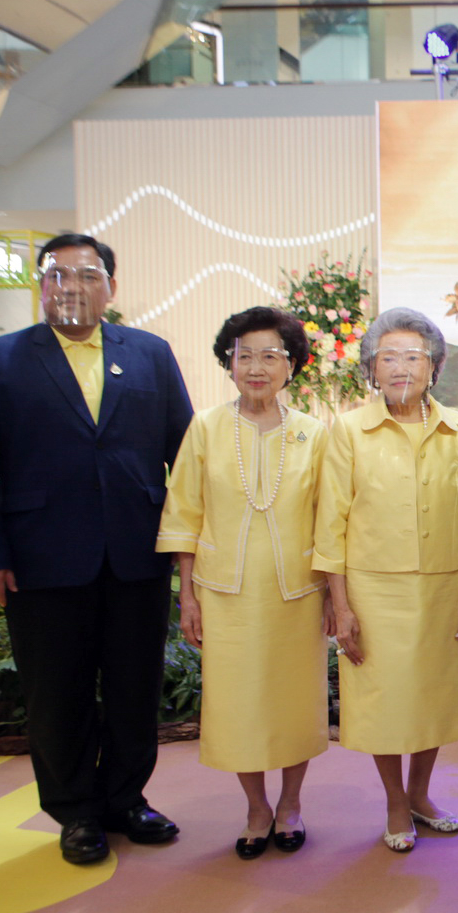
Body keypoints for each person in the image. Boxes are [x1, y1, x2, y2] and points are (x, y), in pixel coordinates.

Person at [0, 234, 193, 865]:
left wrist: (193, 545)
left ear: (110, 286)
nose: (72, 287)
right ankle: (75, 811)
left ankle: (126, 799)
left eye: (87, 275)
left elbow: (186, 457)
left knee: (135, 686)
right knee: (56, 690)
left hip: (137, 554)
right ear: (41, 286)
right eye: (58, 275)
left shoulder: (149, 354)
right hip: (39, 558)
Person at [157, 307, 329, 859]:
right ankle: (256, 807)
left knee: (294, 702)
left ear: (292, 366)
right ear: (228, 363)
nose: (256, 367)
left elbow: (331, 520)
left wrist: (333, 595)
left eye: (270, 356)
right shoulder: (205, 428)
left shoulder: (314, 433)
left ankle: (292, 803)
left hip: (297, 593)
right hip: (223, 594)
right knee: (238, 705)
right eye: (244, 355)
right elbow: (183, 513)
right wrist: (187, 596)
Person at [314, 307, 458, 852]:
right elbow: (330, 521)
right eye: (388, 357)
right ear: (371, 369)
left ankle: (421, 794)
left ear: (433, 367)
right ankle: (394, 801)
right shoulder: (347, 430)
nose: (401, 367)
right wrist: (339, 604)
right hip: (373, 589)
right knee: (384, 700)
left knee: (432, 696)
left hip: (442, 586)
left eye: (413, 356)